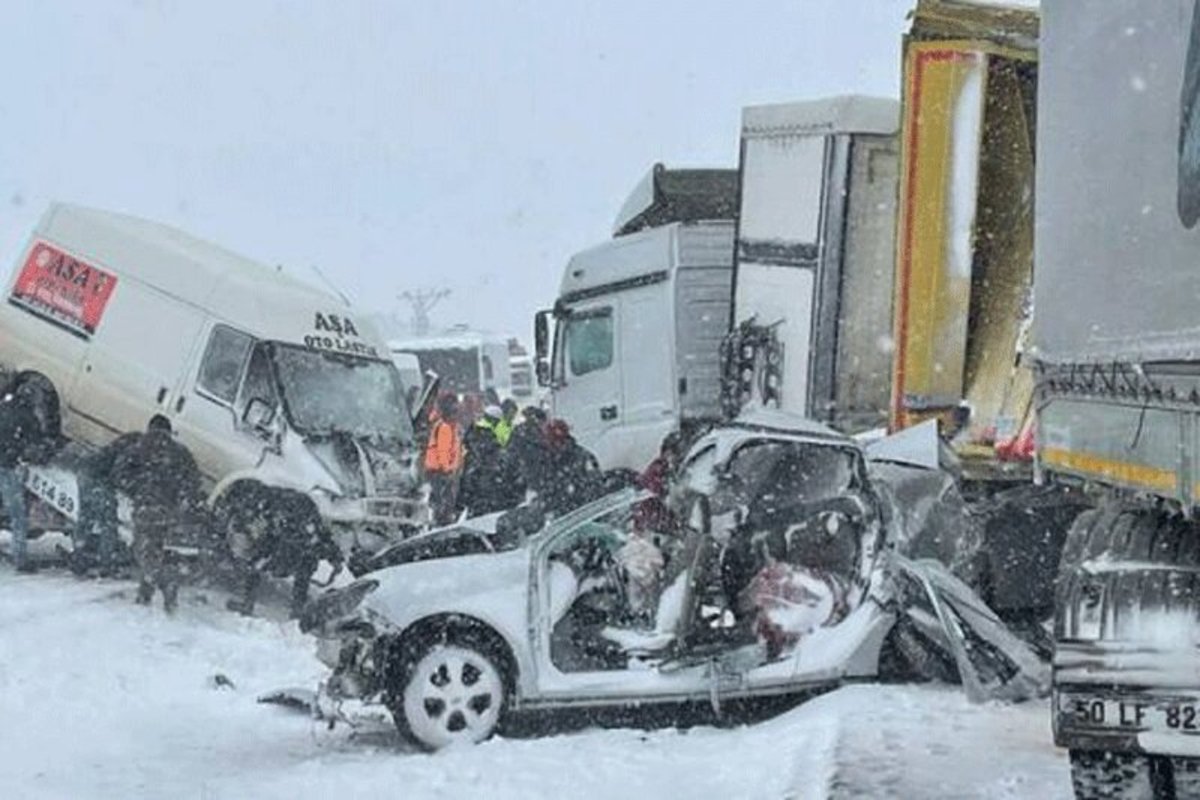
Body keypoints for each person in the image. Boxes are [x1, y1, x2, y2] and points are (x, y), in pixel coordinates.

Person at [107, 415, 205, 611]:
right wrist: (180, 501)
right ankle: (146, 592)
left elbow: (118, 474)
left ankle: (163, 582)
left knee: (141, 549)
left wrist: (136, 488)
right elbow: (194, 481)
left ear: (150, 427)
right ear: (169, 431)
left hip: (146, 506)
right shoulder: (181, 452)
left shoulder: (139, 447)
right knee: (155, 549)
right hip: (169, 511)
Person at [225, 488, 342, 618]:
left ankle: (295, 610)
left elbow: (319, 538)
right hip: (290, 533)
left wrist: (335, 557)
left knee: (306, 558)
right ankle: (292, 609)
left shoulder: (274, 524)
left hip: (294, 535)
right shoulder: (263, 519)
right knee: (302, 558)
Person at [0, 376, 43, 573]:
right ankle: (20, 560)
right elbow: (37, 443)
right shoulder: (28, 416)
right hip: (8, 468)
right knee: (18, 516)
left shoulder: (3, 408)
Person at [531, 419, 603, 516]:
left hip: (580, 514)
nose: (548, 445)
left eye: (551, 441)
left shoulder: (581, 457)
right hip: (562, 514)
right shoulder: (546, 459)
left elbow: (592, 486)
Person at [459, 404, 509, 516]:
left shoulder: (472, 432)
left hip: (471, 481)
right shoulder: (488, 437)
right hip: (484, 483)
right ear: (494, 420)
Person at [424, 393, 463, 526]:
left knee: (441, 499)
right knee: (443, 501)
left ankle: (441, 519)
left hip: (440, 470)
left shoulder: (449, 427)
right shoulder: (445, 428)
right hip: (440, 471)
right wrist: (448, 470)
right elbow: (443, 451)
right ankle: (441, 521)